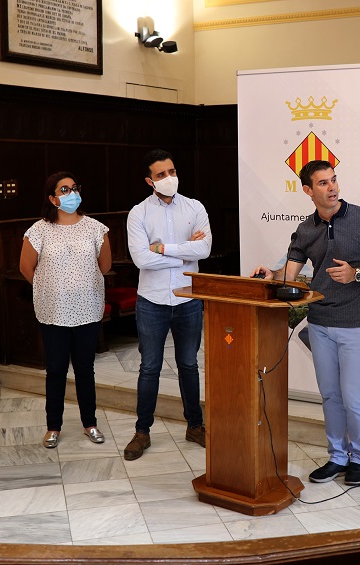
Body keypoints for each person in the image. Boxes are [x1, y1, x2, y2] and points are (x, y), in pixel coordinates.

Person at [253, 160, 360, 486]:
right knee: (330, 395)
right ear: (308, 190)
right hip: (319, 323)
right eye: (323, 183)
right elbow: (290, 273)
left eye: (333, 180)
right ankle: (337, 456)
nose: (332, 188)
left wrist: (357, 273)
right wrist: (271, 275)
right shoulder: (306, 229)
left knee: (353, 397)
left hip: (355, 323)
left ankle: (358, 458)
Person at [123, 149, 212, 461]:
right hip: (152, 300)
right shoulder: (139, 214)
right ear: (150, 181)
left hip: (188, 298)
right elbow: (141, 259)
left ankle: (195, 426)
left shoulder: (194, 207)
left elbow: (204, 249)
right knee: (150, 367)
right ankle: (142, 432)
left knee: (189, 364)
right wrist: (184, 254)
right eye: (161, 174)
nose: (169, 178)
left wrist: (162, 249)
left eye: (172, 171)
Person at [19, 172, 111, 449]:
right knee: (56, 369)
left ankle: (90, 423)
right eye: (64, 190)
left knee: (85, 369)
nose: (72, 193)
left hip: (87, 309)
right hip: (53, 311)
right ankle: (53, 427)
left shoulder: (96, 228)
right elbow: (26, 268)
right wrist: (51, 287)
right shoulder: (38, 230)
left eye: (74, 188)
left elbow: (104, 266)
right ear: (52, 198)